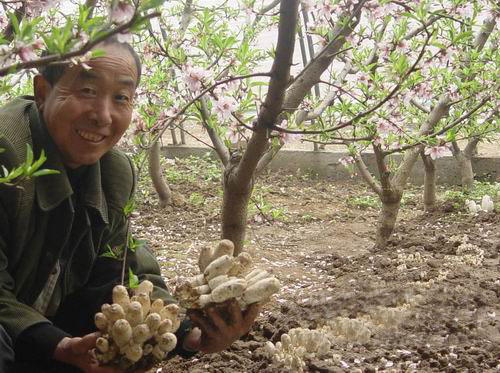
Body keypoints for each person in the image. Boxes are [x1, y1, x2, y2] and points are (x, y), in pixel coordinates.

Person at [0, 38, 260, 373]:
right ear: (43, 92)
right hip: (14, 332)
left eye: (121, 97)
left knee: (121, 337)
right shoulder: (7, 154)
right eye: (87, 91)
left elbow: (120, 268)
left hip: (41, 332)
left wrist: (187, 334)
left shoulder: (114, 171)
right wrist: (56, 343)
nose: (103, 116)